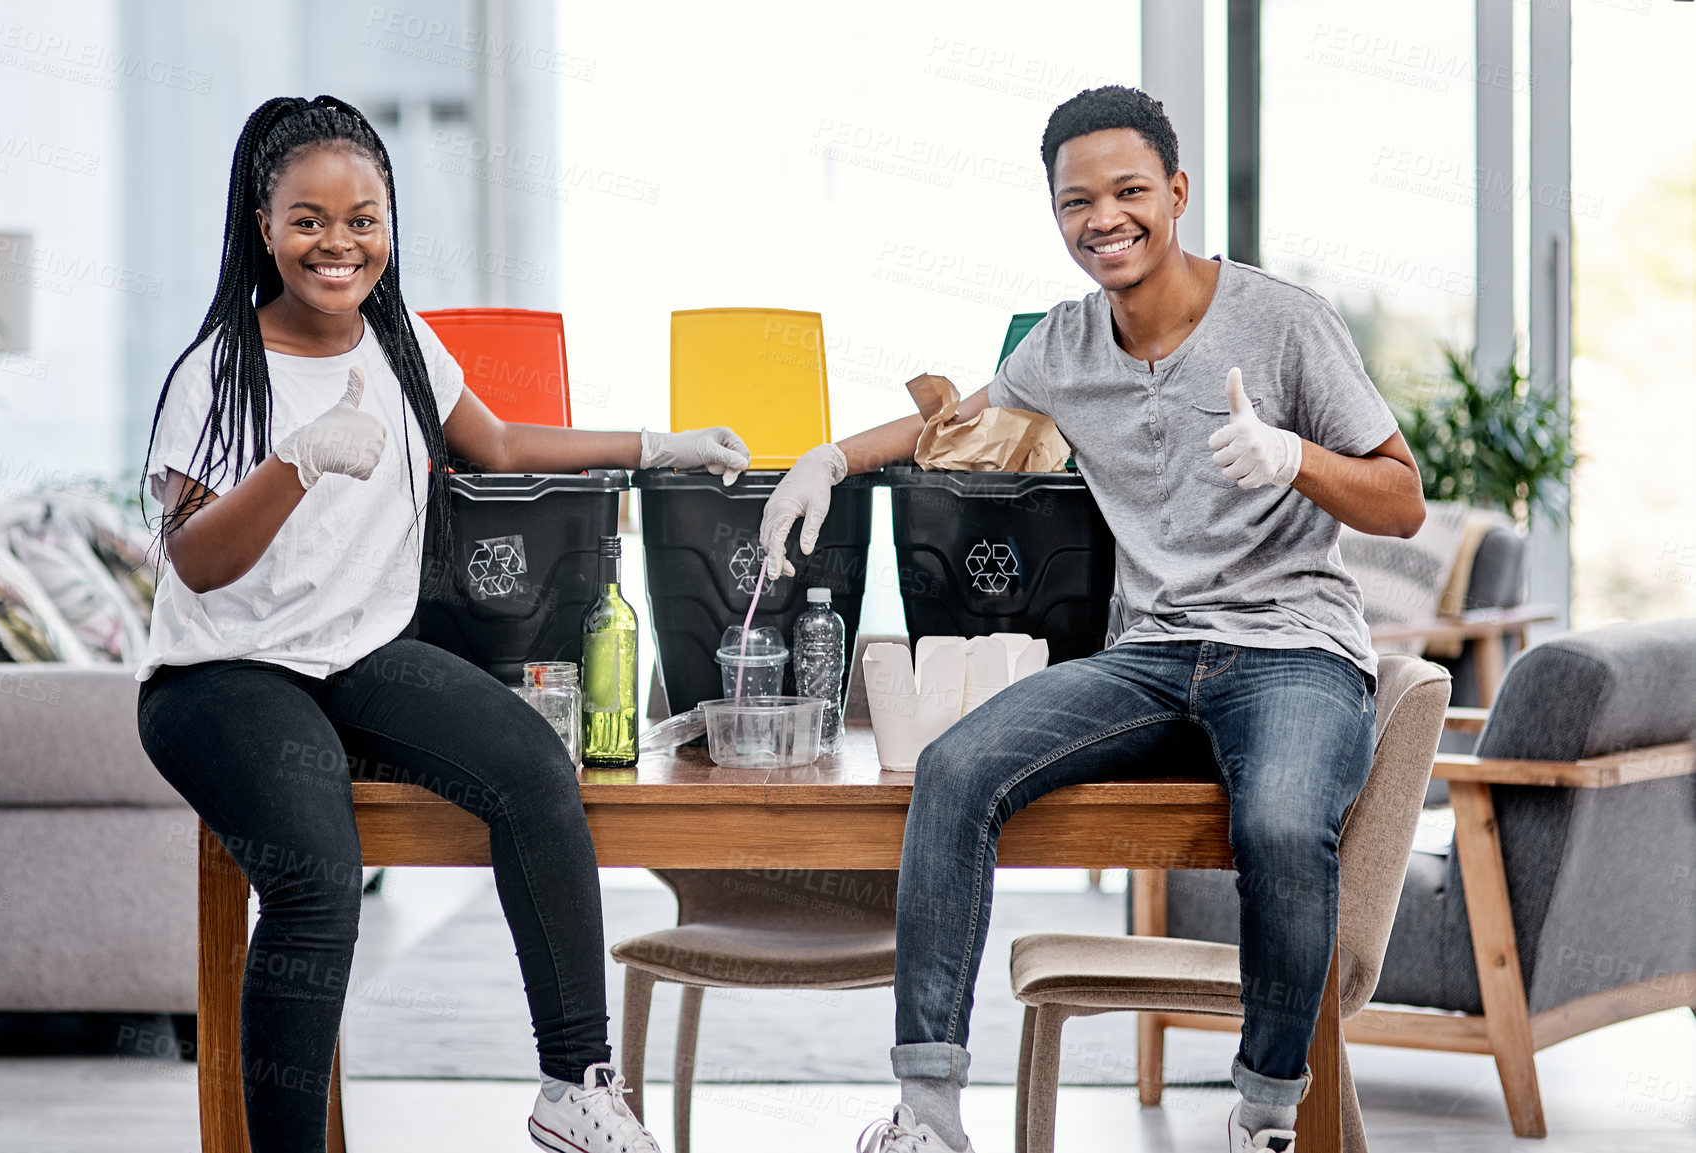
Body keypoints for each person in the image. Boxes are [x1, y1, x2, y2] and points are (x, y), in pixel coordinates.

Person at [760, 86, 1425, 1153]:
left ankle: (1262, 1116)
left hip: (1294, 648)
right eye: (1077, 201)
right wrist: (829, 459)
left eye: (1127, 192)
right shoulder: (1065, 346)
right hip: (1152, 654)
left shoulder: (1284, 321)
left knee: (1276, 824)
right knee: (956, 768)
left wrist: (1291, 456)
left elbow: (1402, 499)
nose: (1103, 219)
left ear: (1176, 193)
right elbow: (954, 419)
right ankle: (926, 1113)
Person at [135, 95, 746, 1153]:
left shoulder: (402, 342)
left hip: (358, 652)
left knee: (532, 765)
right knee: (317, 880)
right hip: (222, 672)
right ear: (263, 222)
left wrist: (660, 443)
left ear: (390, 223)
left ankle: (573, 1084)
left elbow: (500, 446)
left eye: (363, 218)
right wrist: (295, 462)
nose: (339, 243)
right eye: (310, 219)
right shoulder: (219, 370)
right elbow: (196, 558)